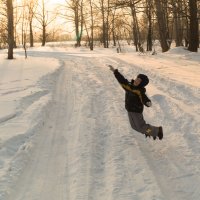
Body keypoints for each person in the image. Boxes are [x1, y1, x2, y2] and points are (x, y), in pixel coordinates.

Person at [108, 65, 163, 140]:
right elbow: (122, 80)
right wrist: (115, 72)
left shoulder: (139, 91)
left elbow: (143, 97)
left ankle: (156, 131)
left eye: (140, 81)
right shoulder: (128, 86)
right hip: (129, 110)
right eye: (137, 78)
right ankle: (149, 131)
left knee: (141, 127)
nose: (137, 81)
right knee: (134, 127)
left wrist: (147, 102)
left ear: (141, 84)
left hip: (136, 111)